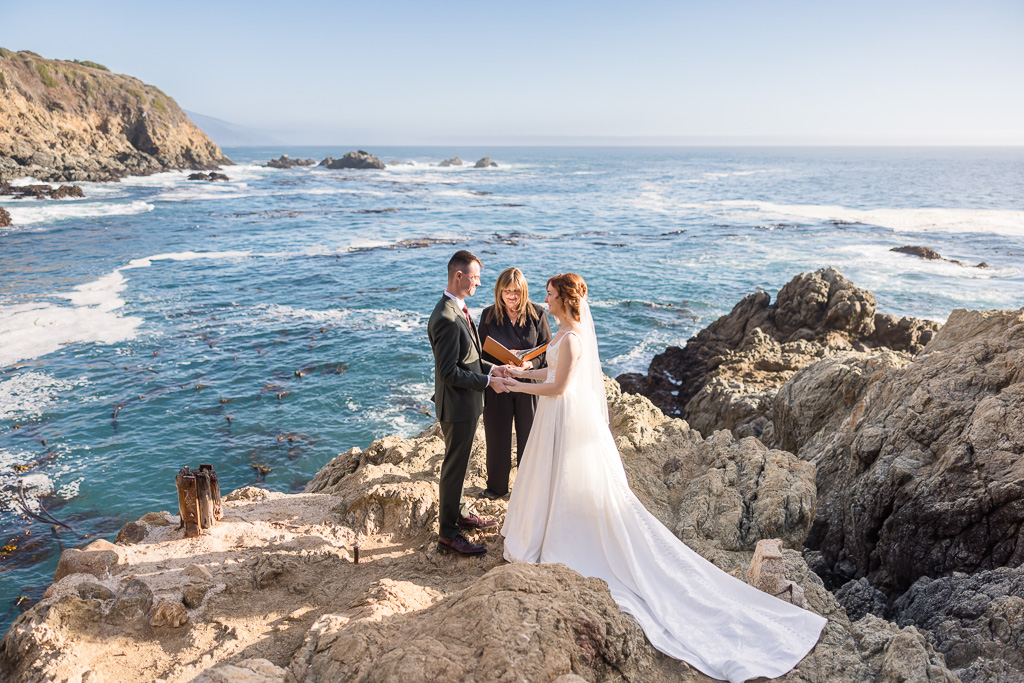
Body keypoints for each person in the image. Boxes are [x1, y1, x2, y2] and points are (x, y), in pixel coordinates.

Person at [500, 273, 826, 683]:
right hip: (558, 421)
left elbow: (558, 386)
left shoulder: (573, 340)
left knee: (572, 486)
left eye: (549, 295)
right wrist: (515, 376)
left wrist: (515, 384)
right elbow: (545, 377)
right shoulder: (563, 334)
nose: (544, 301)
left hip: (563, 420)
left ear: (565, 300)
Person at [427, 250, 509, 556]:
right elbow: (449, 372)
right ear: (458, 276)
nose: (478, 283)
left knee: (458, 467)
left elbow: (468, 358)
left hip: (465, 404)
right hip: (457, 406)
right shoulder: (447, 317)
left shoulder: (457, 308)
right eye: (474, 277)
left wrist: (492, 369)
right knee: (453, 468)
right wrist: (489, 382)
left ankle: (460, 512)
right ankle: (448, 534)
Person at [477, 267, 552, 499]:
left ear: (524, 291)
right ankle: (496, 488)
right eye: (507, 291)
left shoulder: (538, 314)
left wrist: (529, 365)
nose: (512, 296)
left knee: (529, 437)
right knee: (497, 437)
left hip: (529, 385)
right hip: (499, 384)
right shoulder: (488, 316)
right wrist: (497, 366)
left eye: (517, 292)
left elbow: (548, 351)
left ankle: (527, 488)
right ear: (499, 292)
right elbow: (479, 354)